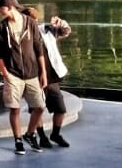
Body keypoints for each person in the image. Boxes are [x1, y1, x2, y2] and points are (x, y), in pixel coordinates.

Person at [0, 0, 47, 155]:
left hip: (32, 73)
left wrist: (43, 72)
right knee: (14, 109)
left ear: (10, 7)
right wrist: (6, 74)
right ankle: (18, 140)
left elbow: (39, 48)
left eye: (1, 7)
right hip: (13, 74)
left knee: (39, 107)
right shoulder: (1, 27)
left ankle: (30, 134)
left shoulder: (30, 23)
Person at [27, 9, 73, 149]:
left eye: (33, 19)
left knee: (60, 108)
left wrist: (62, 24)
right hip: (34, 79)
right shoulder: (23, 37)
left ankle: (56, 134)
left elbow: (65, 31)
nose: (32, 22)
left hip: (52, 78)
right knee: (37, 109)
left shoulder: (46, 30)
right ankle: (42, 137)